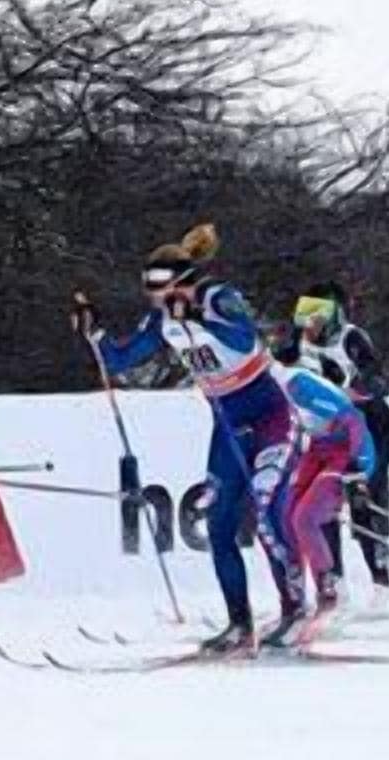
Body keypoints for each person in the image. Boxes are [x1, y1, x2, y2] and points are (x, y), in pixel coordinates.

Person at [80, 225, 297, 653]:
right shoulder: (161, 318)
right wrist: (94, 332)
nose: (153, 295)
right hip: (227, 423)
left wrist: (196, 318)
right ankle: (239, 623)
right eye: (147, 286)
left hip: (268, 414)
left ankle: (294, 610)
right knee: (219, 524)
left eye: (160, 285)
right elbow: (121, 358)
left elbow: (244, 337)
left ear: (183, 280)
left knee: (268, 512)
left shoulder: (218, 297)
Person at [285, 287, 389, 588]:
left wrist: (359, 388)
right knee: (322, 510)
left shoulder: (350, 338)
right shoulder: (299, 341)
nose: (311, 323)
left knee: (364, 504)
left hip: (370, 427)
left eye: (319, 314)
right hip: (329, 435)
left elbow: (380, 381)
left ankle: (382, 584)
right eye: (305, 313)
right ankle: (334, 584)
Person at [268, 354, 371, 646]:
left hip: (347, 452)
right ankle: (299, 596)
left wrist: (358, 471)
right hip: (319, 449)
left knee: (306, 518)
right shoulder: (271, 393)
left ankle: (331, 592)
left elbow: (353, 418)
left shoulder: (298, 387)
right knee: (287, 515)